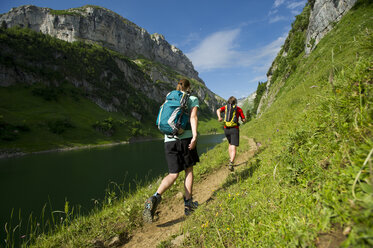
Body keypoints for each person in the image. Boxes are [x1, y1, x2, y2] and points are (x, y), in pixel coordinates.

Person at [143, 79, 200, 222]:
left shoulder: (168, 98)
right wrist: (194, 135)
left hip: (169, 140)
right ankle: (188, 205)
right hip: (185, 139)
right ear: (188, 87)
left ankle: (155, 196)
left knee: (173, 174)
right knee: (188, 170)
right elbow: (193, 117)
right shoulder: (191, 98)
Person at [216, 96, 246, 171]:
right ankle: (231, 162)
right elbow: (243, 119)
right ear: (235, 102)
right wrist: (243, 120)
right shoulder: (238, 109)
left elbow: (218, 110)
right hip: (234, 129)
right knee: (233, 146)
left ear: (228, 101)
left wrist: (219, 117)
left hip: (226, 129)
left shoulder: (225, 107)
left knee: (230, 143)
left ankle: (230, 159)